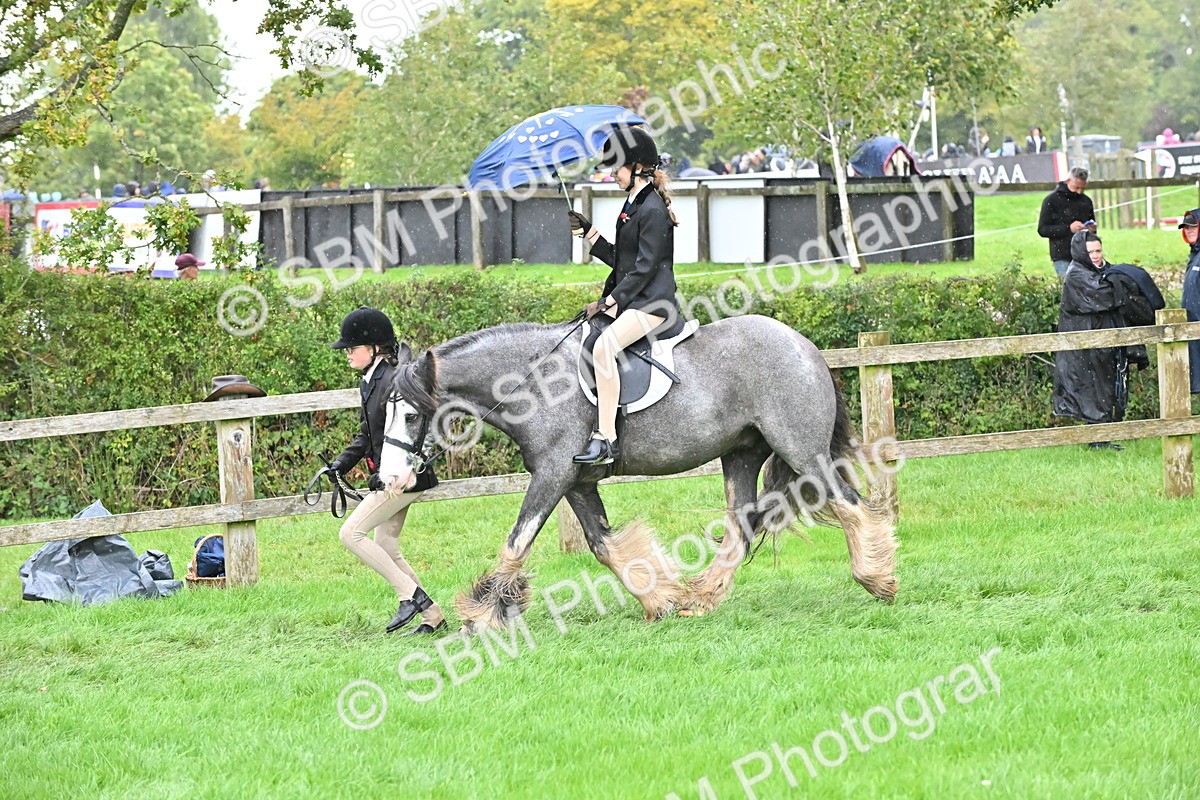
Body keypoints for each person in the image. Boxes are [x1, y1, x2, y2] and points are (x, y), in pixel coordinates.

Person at [565, 126, 680, 465]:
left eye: (617, 167)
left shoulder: (653, 210)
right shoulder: (632, 204)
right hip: (636, 298)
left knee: (604, 348)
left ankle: (607, 439)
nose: (612, 174)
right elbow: (622, 259)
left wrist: (609, 301)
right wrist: (589, 232)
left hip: (653, 303)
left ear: (638, 167)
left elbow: (644, 269)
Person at [327, 307, 445, 634]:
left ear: (376, 348)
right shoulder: (371, 381)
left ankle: (409, 596)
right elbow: (368, 433)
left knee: (351, 533)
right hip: (392, 475)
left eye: (352, 348)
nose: (347, 354)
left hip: (404, 476)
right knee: (387, 545)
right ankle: (432, 615)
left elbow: (412, 432)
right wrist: (342, 463)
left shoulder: (395, 380)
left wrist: (389, 473)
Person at [1052, 232, 1131, 449]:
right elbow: (1104, 295)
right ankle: (1098, 440)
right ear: (1080, 252)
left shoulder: (1101, 270)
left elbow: (1117, 286)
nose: (1095, 256)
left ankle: (1102, 438)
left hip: (1102, 341)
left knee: (1105, 387)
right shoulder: (1077, 275)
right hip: (1084, 345)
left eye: (1098, 250)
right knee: (1091, 389)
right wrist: (1122, 284)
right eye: (1090, 252)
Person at [1038, 166, 1095, 278]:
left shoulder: (1086, 201)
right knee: (1068, 286)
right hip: (1062, 254)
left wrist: (1091, 229)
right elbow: (1042, 229)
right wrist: (1068, 229)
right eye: (1076, 187)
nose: (1079, 192)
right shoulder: (1051, 200)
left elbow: (1092, 224)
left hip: (1084, 253)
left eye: (1082, 188)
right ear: (1068, 181)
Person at [1179, 209, 1200, 393]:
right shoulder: (1194, 256)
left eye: (1193, 226)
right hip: (1193, 333)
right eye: (1186, 227)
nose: (1188, 230)